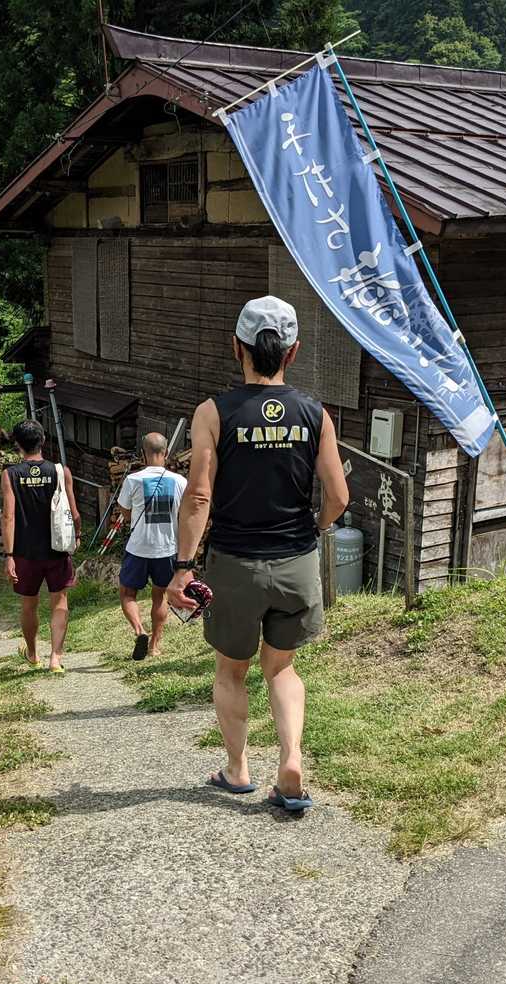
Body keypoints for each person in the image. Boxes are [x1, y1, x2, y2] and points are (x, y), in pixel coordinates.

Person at [168, 296, 349, 814]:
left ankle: (238, 769)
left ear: (237, 347)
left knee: (231, 671)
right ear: (293, 352)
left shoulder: (213, 412)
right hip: (296, 562)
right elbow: (338, 496)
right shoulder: (315, 414)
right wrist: (313, 529)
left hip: (234, 563)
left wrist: (182, 568)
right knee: (282, 669)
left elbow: (198, 496)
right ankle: (291, 759)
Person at [1, 419, 81, 672]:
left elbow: (8, 516)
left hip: (25, 551)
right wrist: (76, 535)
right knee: (59, 601)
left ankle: (33, 654)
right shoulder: (60, 471)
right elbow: (74, 513)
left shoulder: (10, 474)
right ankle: (55, 658)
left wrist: (9, 555)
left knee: (29, 604)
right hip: (57, 548)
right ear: (43, 440)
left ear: (17, 444)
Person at [117, 431, 188, 661]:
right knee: (160, 596)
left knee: (127, 593)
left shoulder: (133, 480)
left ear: (143, 454)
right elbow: (185, 515)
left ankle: (140, 630)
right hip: (167, 548)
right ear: (166, 453)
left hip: (138, 547)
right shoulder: (180, 482)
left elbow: (126, 513)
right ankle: (154, 646)